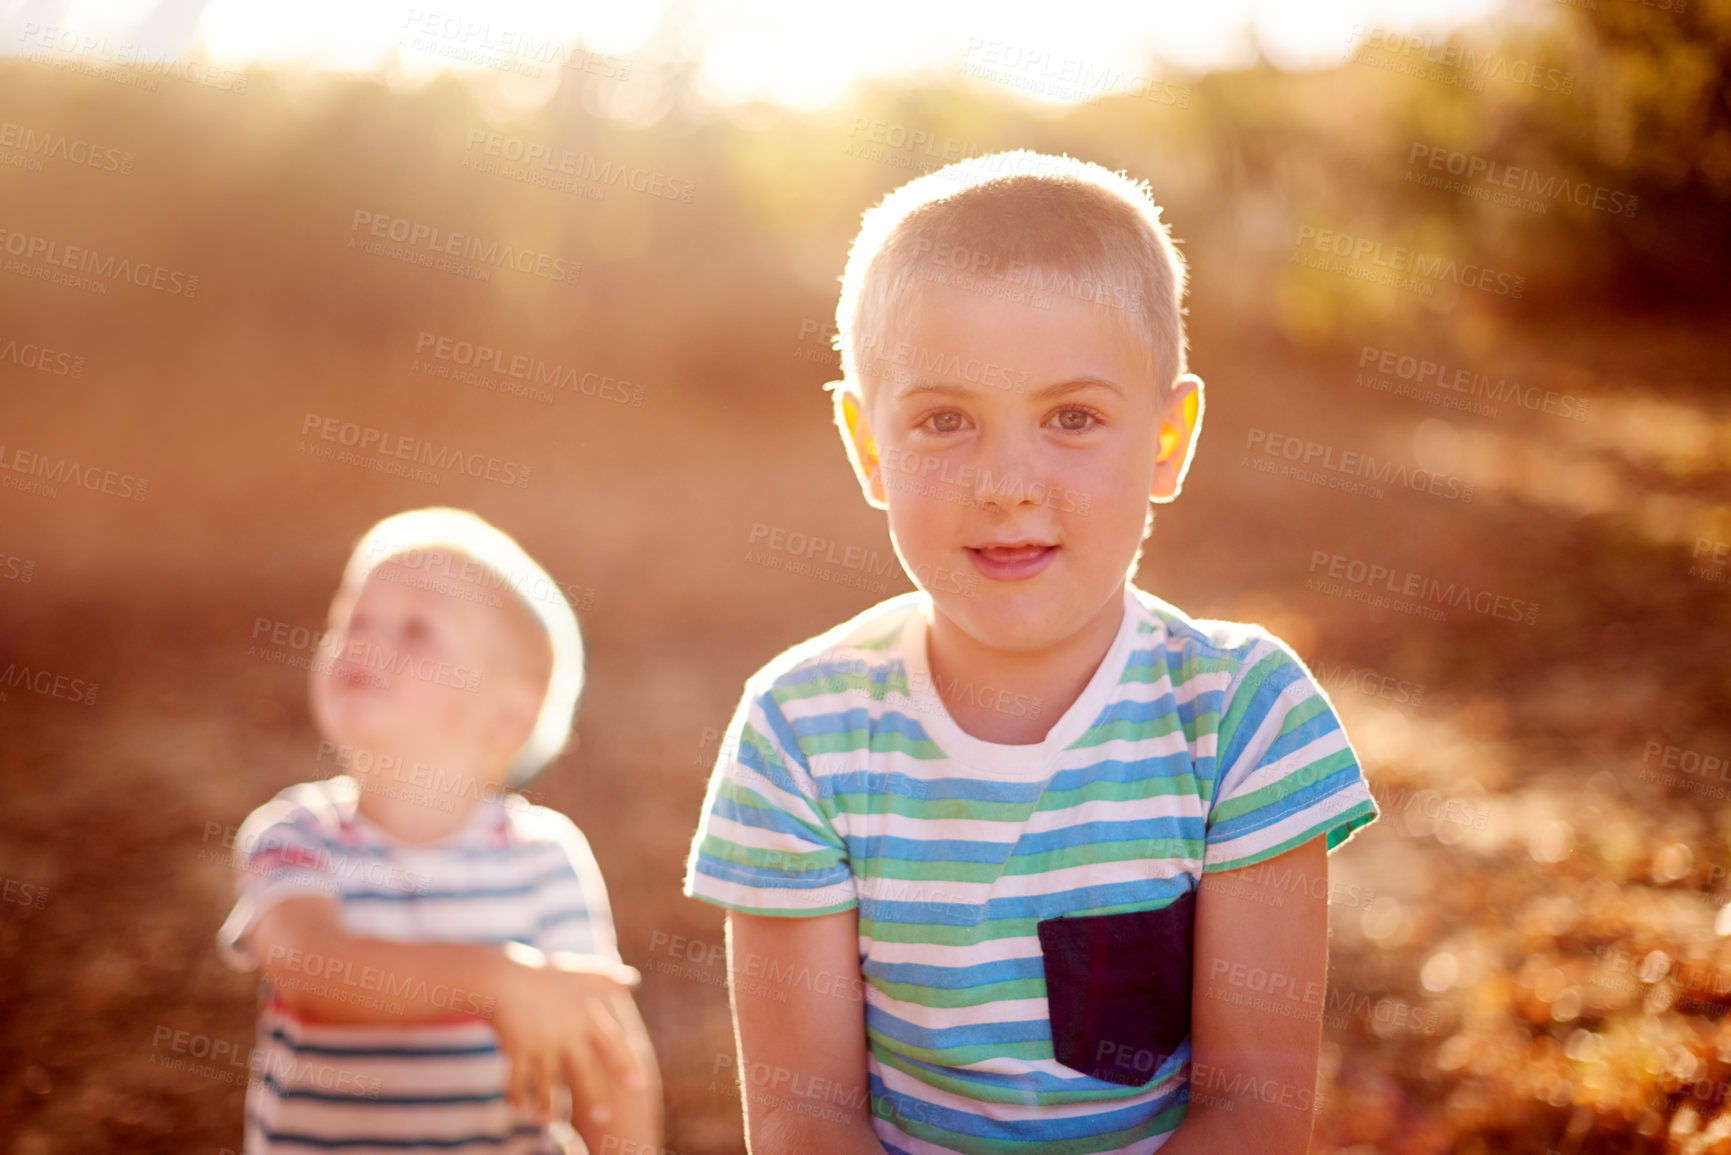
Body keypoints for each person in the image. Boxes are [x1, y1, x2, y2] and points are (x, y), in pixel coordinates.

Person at [684, 151, 1378, 1154]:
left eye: (1072, 417)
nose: (1006, 481)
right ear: (867, 445)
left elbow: (1254, 1108)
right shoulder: (801, 733)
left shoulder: (1242, 716)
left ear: (1168, 437)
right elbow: (806, 1115)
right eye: (944, 420)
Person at [217, 507, 661, 1154]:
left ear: (508, 714)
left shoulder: (543, 857)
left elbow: (605, 1051)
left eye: (418, 630)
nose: (365, 641)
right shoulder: (296, 833)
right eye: (354, 620)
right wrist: (494, 978)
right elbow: (307, 964)